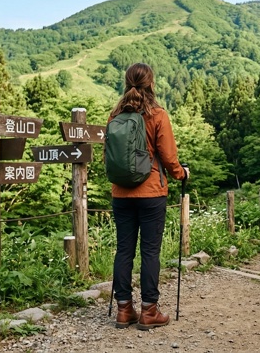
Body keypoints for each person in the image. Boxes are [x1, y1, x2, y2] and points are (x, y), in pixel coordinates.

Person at [107, 63, 189, 330]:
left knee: (124, 251)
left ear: (126, 82)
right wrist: (181, 174)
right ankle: (149, 311)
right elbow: (168, 157)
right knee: (150, 252)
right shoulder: (156, 114)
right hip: (152, 192)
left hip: (121, 193)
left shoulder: (114, 116)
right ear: (151, 83)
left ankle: (123, 310)